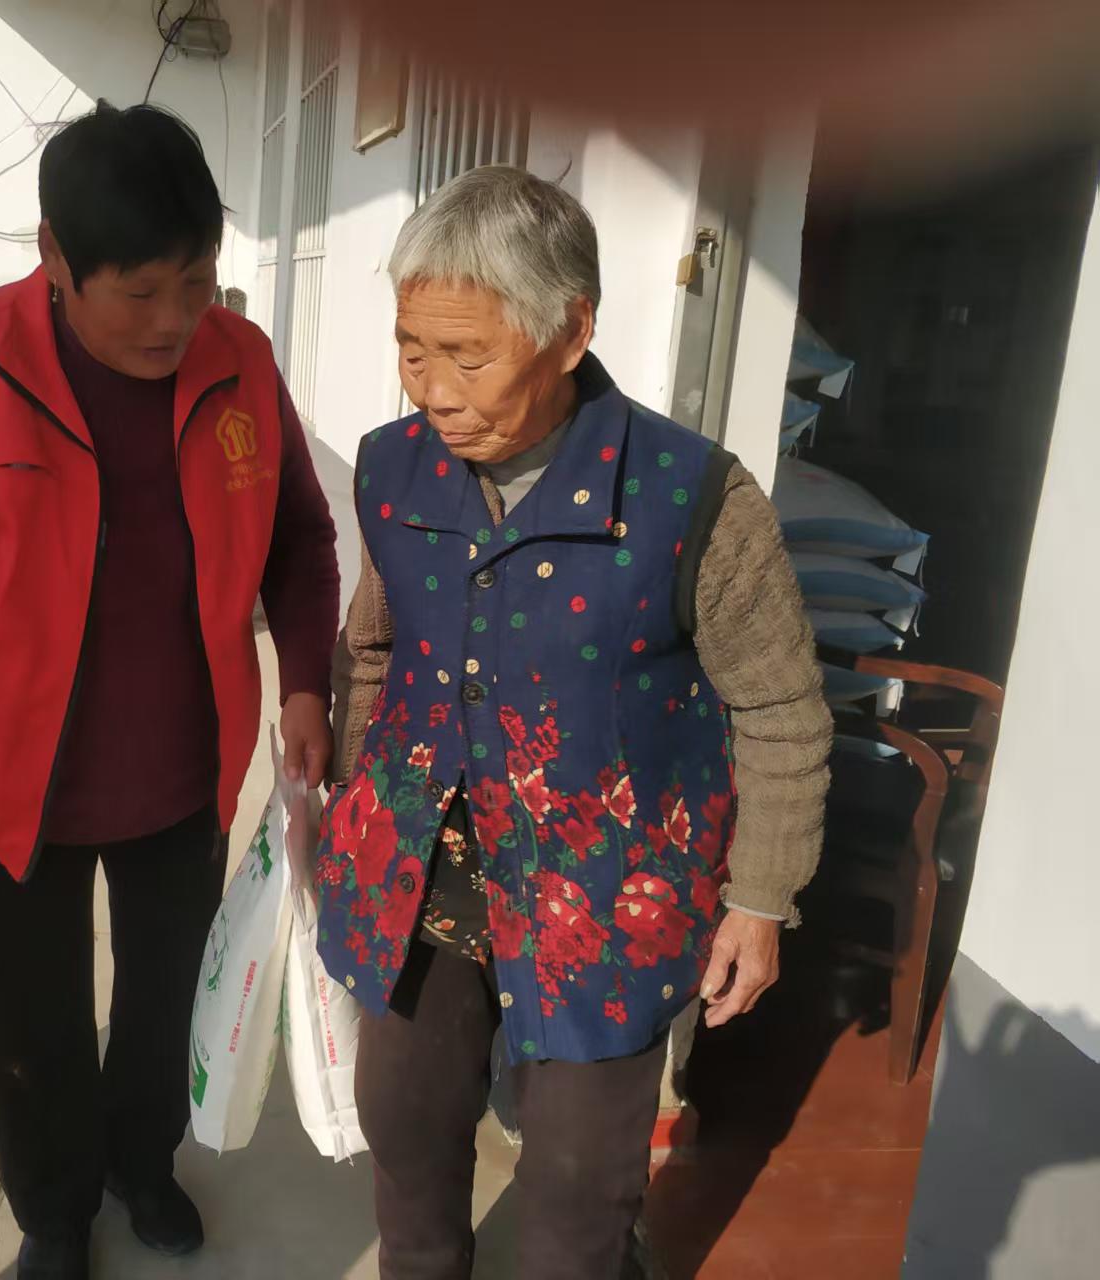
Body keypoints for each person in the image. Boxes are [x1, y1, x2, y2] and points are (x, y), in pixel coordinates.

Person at [0, 103, 340, 1280]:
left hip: (180, 765)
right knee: (34, 1016)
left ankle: (140, 1162)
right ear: (54, 255)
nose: (172, 320)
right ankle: (53, 1209)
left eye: (194, 282)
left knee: (164, 993)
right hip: (12, 780)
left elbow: (301, 538)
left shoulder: (241, 361)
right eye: (138, 292)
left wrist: (304, 681)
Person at [314, 166, 833, 1279]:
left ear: (569, 331)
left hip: (604, 894)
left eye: (467, 357)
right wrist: (355, 810)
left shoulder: (693, 497)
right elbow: (375, 647)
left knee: (574, 1204)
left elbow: (779, 710)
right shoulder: (390, 468)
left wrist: (758, 898)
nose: (432, 390)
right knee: (405, 1142)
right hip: (422, 876)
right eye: (411, 349)